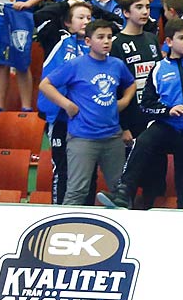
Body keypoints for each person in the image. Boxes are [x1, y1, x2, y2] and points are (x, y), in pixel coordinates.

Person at [38, 21, 136, 207]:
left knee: (120, 191)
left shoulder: (117, 64)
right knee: (77, 190)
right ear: (88, 41)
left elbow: (130, 83)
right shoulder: (75, 64)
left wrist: (124, 101)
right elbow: (45, 85)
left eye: (109, 37)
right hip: (83, 138)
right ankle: (64, 227)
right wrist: (66, 104)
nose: (106, 41)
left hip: (112, 137)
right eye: (101, 37)